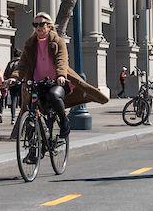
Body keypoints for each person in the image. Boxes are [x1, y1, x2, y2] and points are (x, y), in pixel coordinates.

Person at [16, 12, 107, 140]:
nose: (38, 27)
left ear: (49, 26)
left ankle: (64, 122)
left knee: (54, 95)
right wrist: (14, 78)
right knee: (32, 113)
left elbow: (61, 60)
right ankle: (33, 150)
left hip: (57, 82)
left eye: (41, 24)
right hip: (37, 83)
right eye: (35, 24)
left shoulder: (57, 41)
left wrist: (61, 75)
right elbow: (23, 64)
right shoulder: (30, 44)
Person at [2, 54, 20, 122]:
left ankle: (13, 118)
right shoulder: (21, 62)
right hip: (21, 83)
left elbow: (5, 75)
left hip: (12, 84)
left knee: (13, 101)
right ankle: (23, 117)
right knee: (24, 101)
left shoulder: (10, 63)